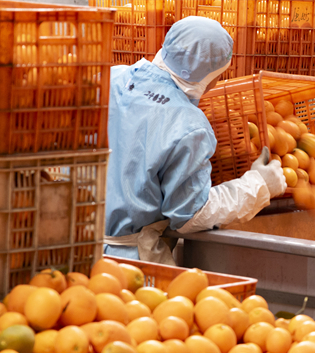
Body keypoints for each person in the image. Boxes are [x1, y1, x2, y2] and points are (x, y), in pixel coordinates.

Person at [103, 16, 286, 265]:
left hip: (69, 246)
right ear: (210, 77)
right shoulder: (189, 125)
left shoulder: (111, 79)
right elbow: (190, 214)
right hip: (127, 266)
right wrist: (258, 185)